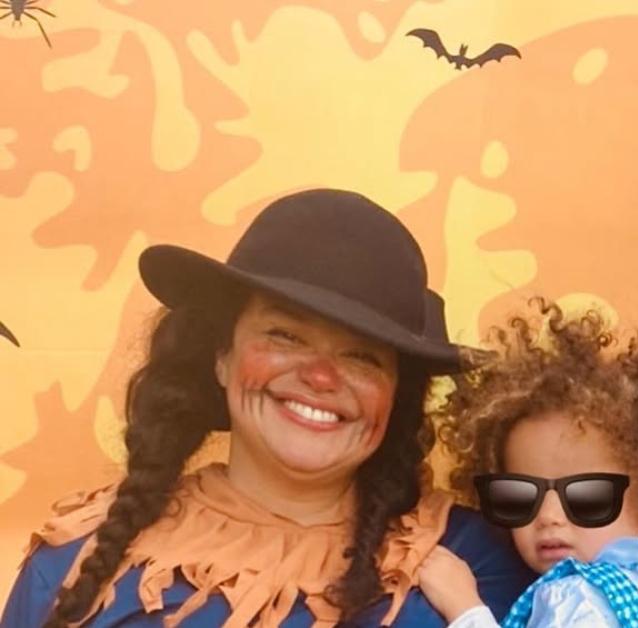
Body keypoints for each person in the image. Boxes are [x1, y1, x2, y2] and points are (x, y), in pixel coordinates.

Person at [0, 189, 535, 627]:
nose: (321, 376)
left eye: (361, 357)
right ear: (221, 357)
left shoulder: (482, 559)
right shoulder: (75, 557)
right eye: (285, 336)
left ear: (396, 396)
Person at [414, 302, 638, 626]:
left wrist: (465, 609)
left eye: (587, 497)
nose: (550, 517)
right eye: (519, 497)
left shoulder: (579, 598)